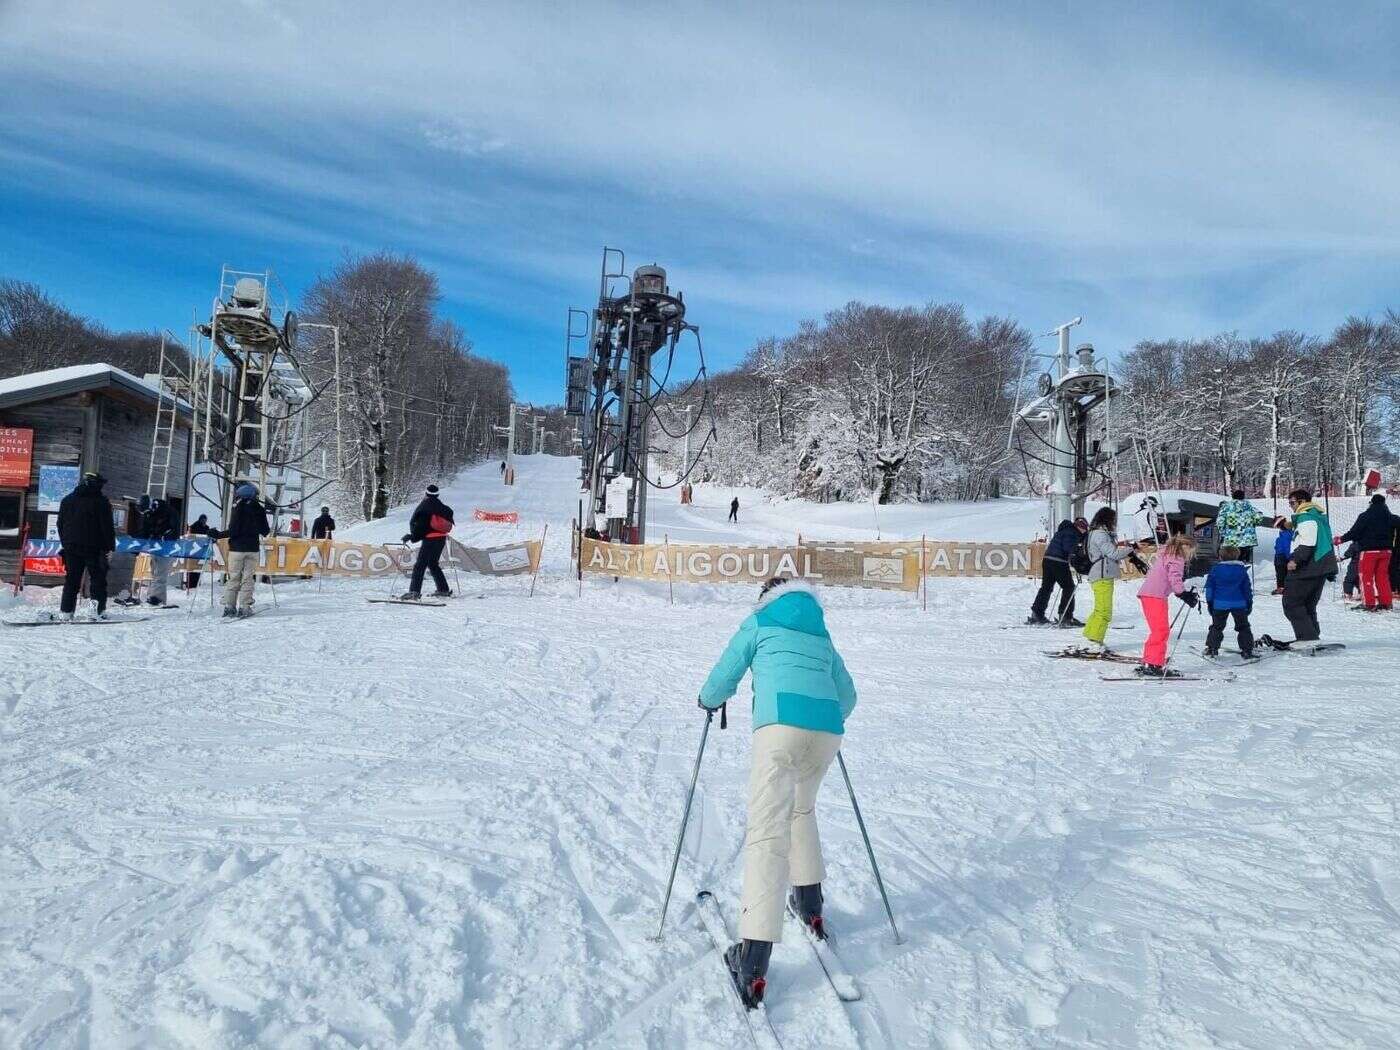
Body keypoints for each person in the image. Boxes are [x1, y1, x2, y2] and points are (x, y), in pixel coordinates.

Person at [697, 577, 857, 1009]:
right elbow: (849, 695)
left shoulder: (760, 620)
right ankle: (810, 904)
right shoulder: (821, 632)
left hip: (781, 727)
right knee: (800, 810)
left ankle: (752, 960)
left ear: (768, 596)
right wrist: (823, 718)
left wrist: (708, 699)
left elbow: (725, 674)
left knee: (768, 830)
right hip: (826, 731)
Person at [1277, 489, 1337, 642]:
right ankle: (1312, 635)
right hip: (1321, 566)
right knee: (1307, 604)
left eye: (1292, 503)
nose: (1291, 506)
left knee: (1291, 604)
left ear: (1302, 502)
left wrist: (1295, 560)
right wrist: (1286, 525)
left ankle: (1307, 638)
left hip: (1309, 566)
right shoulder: (1316, 515)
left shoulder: (1306, 518)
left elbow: (1308, 543)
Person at [1081, 508, 1145, 650]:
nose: (1115, 523)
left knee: (1099, 609)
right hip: (1102, 575)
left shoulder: (1097, 533)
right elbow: (1113, 554)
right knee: (1104, 611)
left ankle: (1091, 636)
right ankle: (1095, 641)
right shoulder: (1100, 535)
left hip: (1100, 574)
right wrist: (1131, 549)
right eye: (1113, 520)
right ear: (1107, 520)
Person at [1136, 533, 1199, 676]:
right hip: (1155, 596)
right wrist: (1183, 594)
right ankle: (1154, 664)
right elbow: (1174, 577)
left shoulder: (1167, 554)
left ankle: (1150, 660)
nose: (1191, 554)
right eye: (1192, 550)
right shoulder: (1176, 557)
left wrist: (1183, 593)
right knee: (1161, 631)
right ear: (1186, 546)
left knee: (1158, 630)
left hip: (1151, 595)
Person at [56, 471, 116, 621]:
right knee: (98, 580)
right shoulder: (101, 502)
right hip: (94, 549)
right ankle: (96, 611)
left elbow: (60, 524)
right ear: (96, 484)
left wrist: (66, 543)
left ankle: (66, 612)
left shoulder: (67, 500)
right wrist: (110, 547)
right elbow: (107, 527)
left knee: (72, 581)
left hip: (71, 548)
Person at [210, 482, 270, 617]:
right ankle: (245, 606)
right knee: (248, 578)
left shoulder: (237, 508)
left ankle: (230, 606)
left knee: (234, 577)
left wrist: (218, 534)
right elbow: (265, 531)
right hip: (252, 549)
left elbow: (233, 530)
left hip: (236, 549)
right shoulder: (259, 509)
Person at [1334, 493, 1400, 610]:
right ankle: (1386, 603)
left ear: (1372, 503)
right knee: (1383, 577)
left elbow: (1354, 532)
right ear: (1384, 503)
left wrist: (1340, 539)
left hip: (1369, 551)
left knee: (1366, 577)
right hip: (1387, 552)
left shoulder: (1365, 516)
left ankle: (1368, 603)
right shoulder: (1392, 517)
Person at [1028, 517, 1088, 626]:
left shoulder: (1064, 530)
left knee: (1046, 587)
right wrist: (1079, 554)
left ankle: (1037, 613)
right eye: (1083, 528)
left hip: (1048, 560)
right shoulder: (1071, 532)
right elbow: (1068, 548)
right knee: (1068, 587)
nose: (1084, 530)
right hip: (1059, 562)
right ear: (1079, 527)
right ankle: (1066, 616)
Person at [400, 483, 454, 600]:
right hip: (441, 538)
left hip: (430, 539)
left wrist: (412, 536)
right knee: (433, 564)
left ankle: (414, 592)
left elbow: (420, 525)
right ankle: (443, 589)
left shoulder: (425, 506)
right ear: (437, 494)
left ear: (426, 493)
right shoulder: (442, 507)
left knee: (420, 566)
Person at [1203, 546, 1254, 658]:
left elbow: (1210, 588)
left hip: (1220, 603)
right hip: (1239, 603)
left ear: (1221, 557)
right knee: (1243, 626)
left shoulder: (1215, 569)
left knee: (1217, 626)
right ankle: (1247, 650)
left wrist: (1209, 601)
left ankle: (1212, 648)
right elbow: (1247, 588)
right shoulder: (1242, 570)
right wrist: (1249, 601)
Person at [135, 494, 179, 605]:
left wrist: (166, 537)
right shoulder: (148, 514)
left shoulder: (167, 511)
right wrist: (137, 545)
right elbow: (144, 531)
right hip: (155, 546)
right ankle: (153, 596)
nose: (145, 514)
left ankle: (158, 598)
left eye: (146, 511)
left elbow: (175, 529)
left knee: (160, 572)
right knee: (155, 572)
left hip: (166, 546)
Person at [1215, 490, 1270, 568]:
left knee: (1230, 560)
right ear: (1243, 497)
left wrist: (1223, 533)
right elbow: (1259, 516)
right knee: (1242, 560)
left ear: (1233, 497)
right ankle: (1241, 572)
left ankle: (1231, 575)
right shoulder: (1249, 507)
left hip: (1231, 539)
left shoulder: (1226, 507)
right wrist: (1252, 524)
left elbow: (1220, 522)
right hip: (1247, 540)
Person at [184, 513, 211, 590]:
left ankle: (195, 583)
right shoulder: (193, 527)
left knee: (198, 567)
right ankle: (191, 583)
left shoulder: (206, 528)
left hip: (200, 550)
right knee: (192, 567)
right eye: (203, 520)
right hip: (194, 550)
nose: (204, 522)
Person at [1272, 524, 1294, 595]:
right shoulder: (1285, 535)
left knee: (1281, 572)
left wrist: (1288, 557)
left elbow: (1286, 547)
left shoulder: (1285, 535)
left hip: (1281, 556)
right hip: (1280, 555)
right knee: (1281, 572)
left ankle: (1282, 588)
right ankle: (1284, 587)